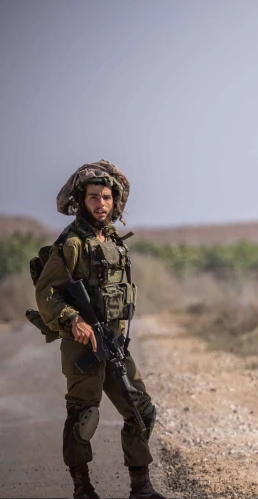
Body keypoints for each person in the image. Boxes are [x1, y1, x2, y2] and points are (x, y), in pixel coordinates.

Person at [34, 161, 164, 499]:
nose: (101, 203)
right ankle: (83, 488)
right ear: (82, 200)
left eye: (107, 197)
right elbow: (48, 291)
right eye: (94, 197)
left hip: (115, 342)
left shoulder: (114, 241)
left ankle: (141, 488)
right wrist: (72, 319)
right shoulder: (72, 243)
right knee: (84, 415)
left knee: (141, 409)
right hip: (83, 345)